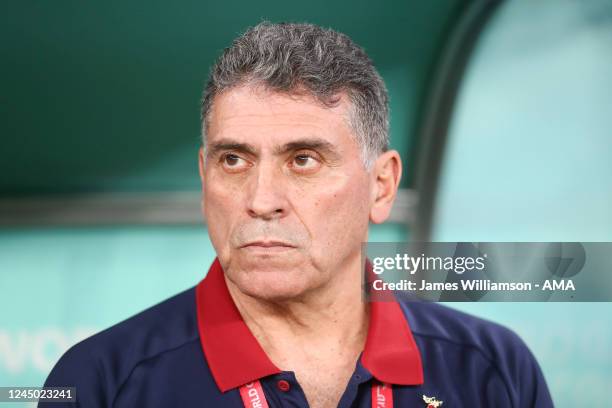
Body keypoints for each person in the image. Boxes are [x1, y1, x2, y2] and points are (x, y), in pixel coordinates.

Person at [41, 22, 553, 408]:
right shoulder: (101, 382)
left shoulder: (493, 371)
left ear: (382, 186)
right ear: (204, 176)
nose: (261, 200)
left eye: (303, 160)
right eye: (233, 159)